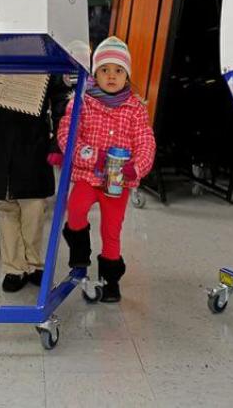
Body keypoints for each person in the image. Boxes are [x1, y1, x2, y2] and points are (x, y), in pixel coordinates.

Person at [57, 37, 155, 303]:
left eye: (118, 71)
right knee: (75, 209)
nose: (111, 76)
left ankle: (111, 279)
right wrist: (92, 157)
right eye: (104, 70)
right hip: (89, 176)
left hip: (118, 182)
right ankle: (79, 249)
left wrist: (137, 168)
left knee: (112, 230)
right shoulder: (82, 103)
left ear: (127, 76)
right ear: (94, 73)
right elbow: (67, 135)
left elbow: (146, 141)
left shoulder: (135, 109)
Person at [0, 76, 69, 292]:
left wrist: (58, 143)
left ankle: (34, 263)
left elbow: (61, 101)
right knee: (7, 209)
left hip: (33, 145)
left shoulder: (44, 54)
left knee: (34, 208)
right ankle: (14, 268)